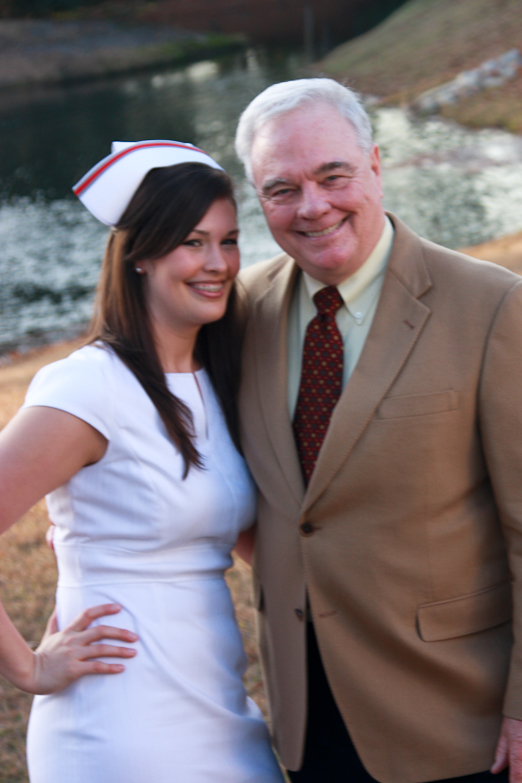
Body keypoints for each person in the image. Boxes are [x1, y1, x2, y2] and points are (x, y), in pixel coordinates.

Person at [233, 78, 522, 783]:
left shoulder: (492, 307)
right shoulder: (242, 312)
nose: (312, 206)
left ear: (375, 164)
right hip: (309, 723)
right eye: (282, 189)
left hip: (460, 721)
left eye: (333, 176)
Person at [0, 140, 284, 783]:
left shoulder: (218, 379)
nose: (218, 263)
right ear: (140, 255)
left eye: (229, 240)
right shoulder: (89, 387)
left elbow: (247, 537)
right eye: (192, 242)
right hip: (120, 722)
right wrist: (30, 669)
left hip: (218, 708)